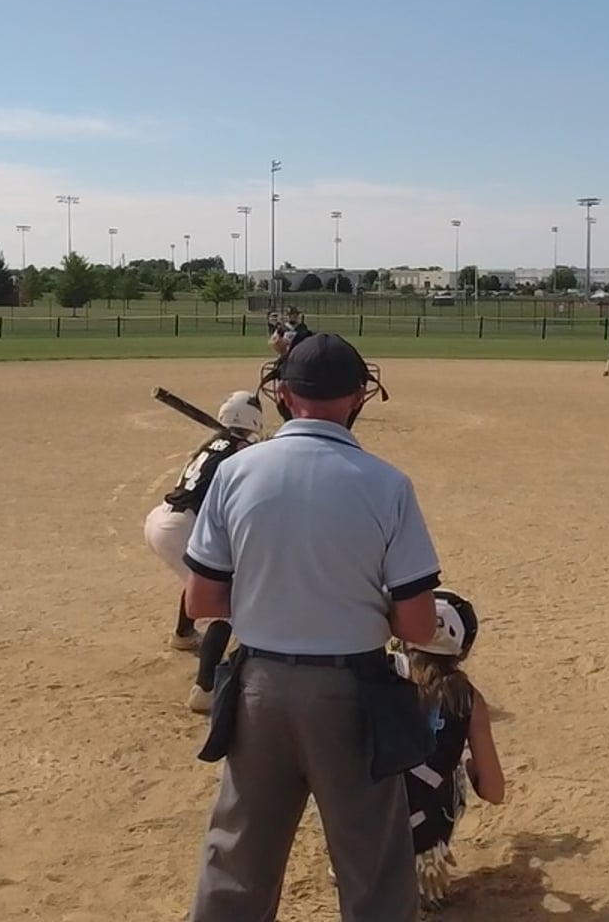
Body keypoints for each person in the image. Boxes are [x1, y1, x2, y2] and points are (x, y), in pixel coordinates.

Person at [183, 333, 438, 922]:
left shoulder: (236, 472)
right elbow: (419, 623)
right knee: (373, 864)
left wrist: (276, 600)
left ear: (283, 393)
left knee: (238, 857)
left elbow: (201, 600)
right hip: (352, 691)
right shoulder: (387, 483)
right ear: (358, 396)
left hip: (259, 687)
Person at [142, 391, 264, 711]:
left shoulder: (214, 444)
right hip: (181, 527)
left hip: (161, 519)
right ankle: (205, 689)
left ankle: (183, 634)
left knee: (201, 574)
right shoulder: (241, 449)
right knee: (226, 604)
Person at [390, 590, 505, 910]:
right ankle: (424, 861)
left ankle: (347, 862)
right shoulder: (467, 698)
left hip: (358, 825)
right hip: (419, 830)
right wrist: (467, 764)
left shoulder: (379, 673)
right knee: (447, 763)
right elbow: (495, 792)